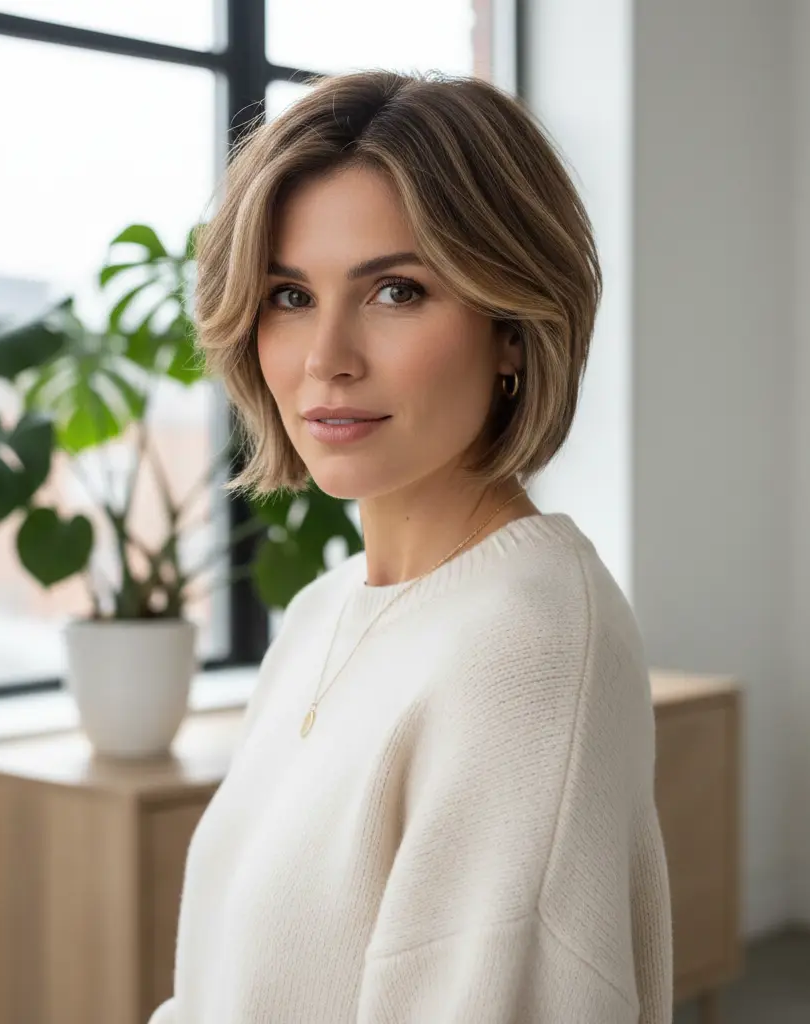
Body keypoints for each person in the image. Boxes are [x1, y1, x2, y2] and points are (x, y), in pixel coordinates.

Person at [149, 69, 672, 1024]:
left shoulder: (529, 646)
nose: (327, 358)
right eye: (289, 295)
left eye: (396, 291)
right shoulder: (322, 614)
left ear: (512, 327)